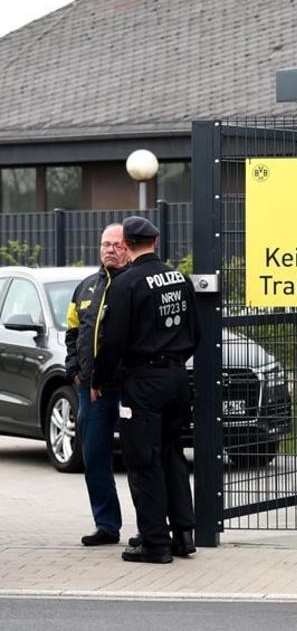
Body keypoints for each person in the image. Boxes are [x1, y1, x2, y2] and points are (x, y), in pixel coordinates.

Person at [92, 216, 197, 564]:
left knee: (142, 461)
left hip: (143, 382)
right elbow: (195, 332)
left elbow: (114, 341)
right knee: (172, 454)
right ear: (154, 240)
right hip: (178, 378)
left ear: (127, 245)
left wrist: (100, 379)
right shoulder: (178, 278)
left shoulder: (127, 284)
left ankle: (155, 543)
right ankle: (184, 534)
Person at [67, 223, 129, 546]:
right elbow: (72, 333)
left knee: (143, 457)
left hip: (129, 386)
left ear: (129, 247)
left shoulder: (134, 284)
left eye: (116, 244)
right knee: (93, 455)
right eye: (105, 244)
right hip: (91, 388)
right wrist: (74, 369)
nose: (109, 250)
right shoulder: (86, 288)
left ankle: (153, 526)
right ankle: (107, 524)